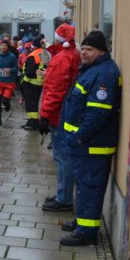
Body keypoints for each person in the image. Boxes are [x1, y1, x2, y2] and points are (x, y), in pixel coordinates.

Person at [57, 31, 121, 246]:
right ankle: (82, 221)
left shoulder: (104, 73)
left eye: (89, 49)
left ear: (101, 51)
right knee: (84, 186)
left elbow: (97, 113)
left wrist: (78, 137)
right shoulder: (94, 69)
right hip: (86, 144)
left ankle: (86, 232)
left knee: (90, 187)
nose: (83, 53)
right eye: (82, 48)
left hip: (93, 145)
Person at [40, 23, 80, 212]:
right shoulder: (72, 54)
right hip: (67, 112)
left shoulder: (62, 58)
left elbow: (55, 90)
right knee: (65, 157)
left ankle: (64, 198)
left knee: (62, 157)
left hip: (60, 115)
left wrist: (44, 115)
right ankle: (63, 194)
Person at [21, 37, 50, 130]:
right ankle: (32, 121)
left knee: (30, 104)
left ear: (34, 45)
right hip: (40, 82)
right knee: (35, 103)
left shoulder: (33, 55)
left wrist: (24, 81)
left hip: (31, 83)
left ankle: (32, 123)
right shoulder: (46, 53)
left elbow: (29, 72)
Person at [0, 40, 19, 127]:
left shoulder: (12, 57)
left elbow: (16, 68)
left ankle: (7, 104)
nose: (3, 47)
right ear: (0, 46)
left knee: (5, 100)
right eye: (2, 45)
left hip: (9, 82)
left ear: (8, 47)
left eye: (5, 45)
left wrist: (10, 70)